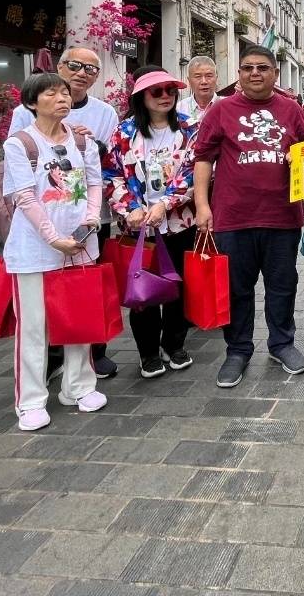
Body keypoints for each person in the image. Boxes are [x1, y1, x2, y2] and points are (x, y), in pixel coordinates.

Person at [194, 45, 304, 388]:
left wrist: (298, 162)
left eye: (262, 68)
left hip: (282, 216)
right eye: (248, 68)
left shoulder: (291, 110)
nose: (255, 73)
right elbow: (203, 159)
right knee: (236, 289)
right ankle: (238, 350)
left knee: (282, 285)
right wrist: (203, 205)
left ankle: (282, 343)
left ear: (275, 74)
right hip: (233, 216)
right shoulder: (221, 110)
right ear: (239, 74)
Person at [1, 72, 107, 431]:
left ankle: (78, 387)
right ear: (31, 102)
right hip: (35, 249)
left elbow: (95, 182)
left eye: (64, 92)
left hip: (81, 245)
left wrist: (91, 218)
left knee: (79, 320)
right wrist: (52, 237)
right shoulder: (20, 144)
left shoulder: (81, 141)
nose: (62, 98)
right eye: (51, 93)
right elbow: (25, 196)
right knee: (33, 327)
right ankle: (30, 401)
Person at [10, 46, 120, 379]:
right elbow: (21, 176)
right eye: (74, 65)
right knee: (43, 299)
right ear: (59, 67)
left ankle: (90, 358)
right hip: (40, 224)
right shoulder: (23, 121)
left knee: (82, 291)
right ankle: (51, 357)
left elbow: (104, 166)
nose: (82, 72)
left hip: (87, 219)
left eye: (91, 68)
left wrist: (91, 145)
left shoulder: (105, 113)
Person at [104, 67, 200, 379]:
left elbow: (194, 175)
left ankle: (174, 344)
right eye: (156, 91)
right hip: (139, 226)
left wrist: (165, 204)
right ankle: (147, 352)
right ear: (141, 97)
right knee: (142, 293)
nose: (165, 97)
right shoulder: (124, 133)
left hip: (178, 224)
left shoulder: (189, 129)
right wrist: (130, 207)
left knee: (179, 287)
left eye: (170, 91)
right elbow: (111, 175)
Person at [178, 55, 218, 126]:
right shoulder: (180, 108)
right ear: (189, 80)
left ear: (216, 78)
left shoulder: (228, 106)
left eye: (209, 76)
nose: (204, 81)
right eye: (198, 77)